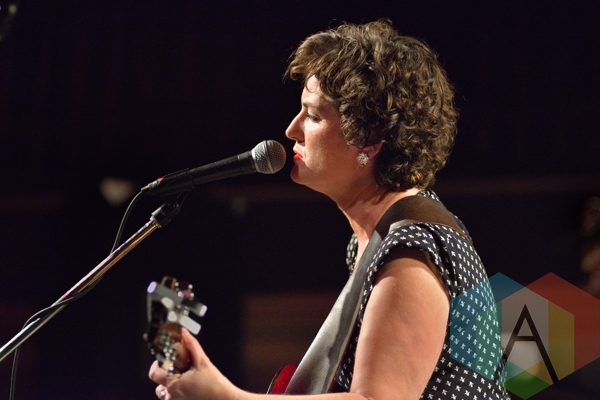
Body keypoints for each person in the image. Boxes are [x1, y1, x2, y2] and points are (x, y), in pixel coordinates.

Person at [149, 19, 510, 400]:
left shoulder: (411, 251)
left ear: (368, 138)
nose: (291, 130)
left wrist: (225, 396)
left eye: (313, 115)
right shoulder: (375, 241)